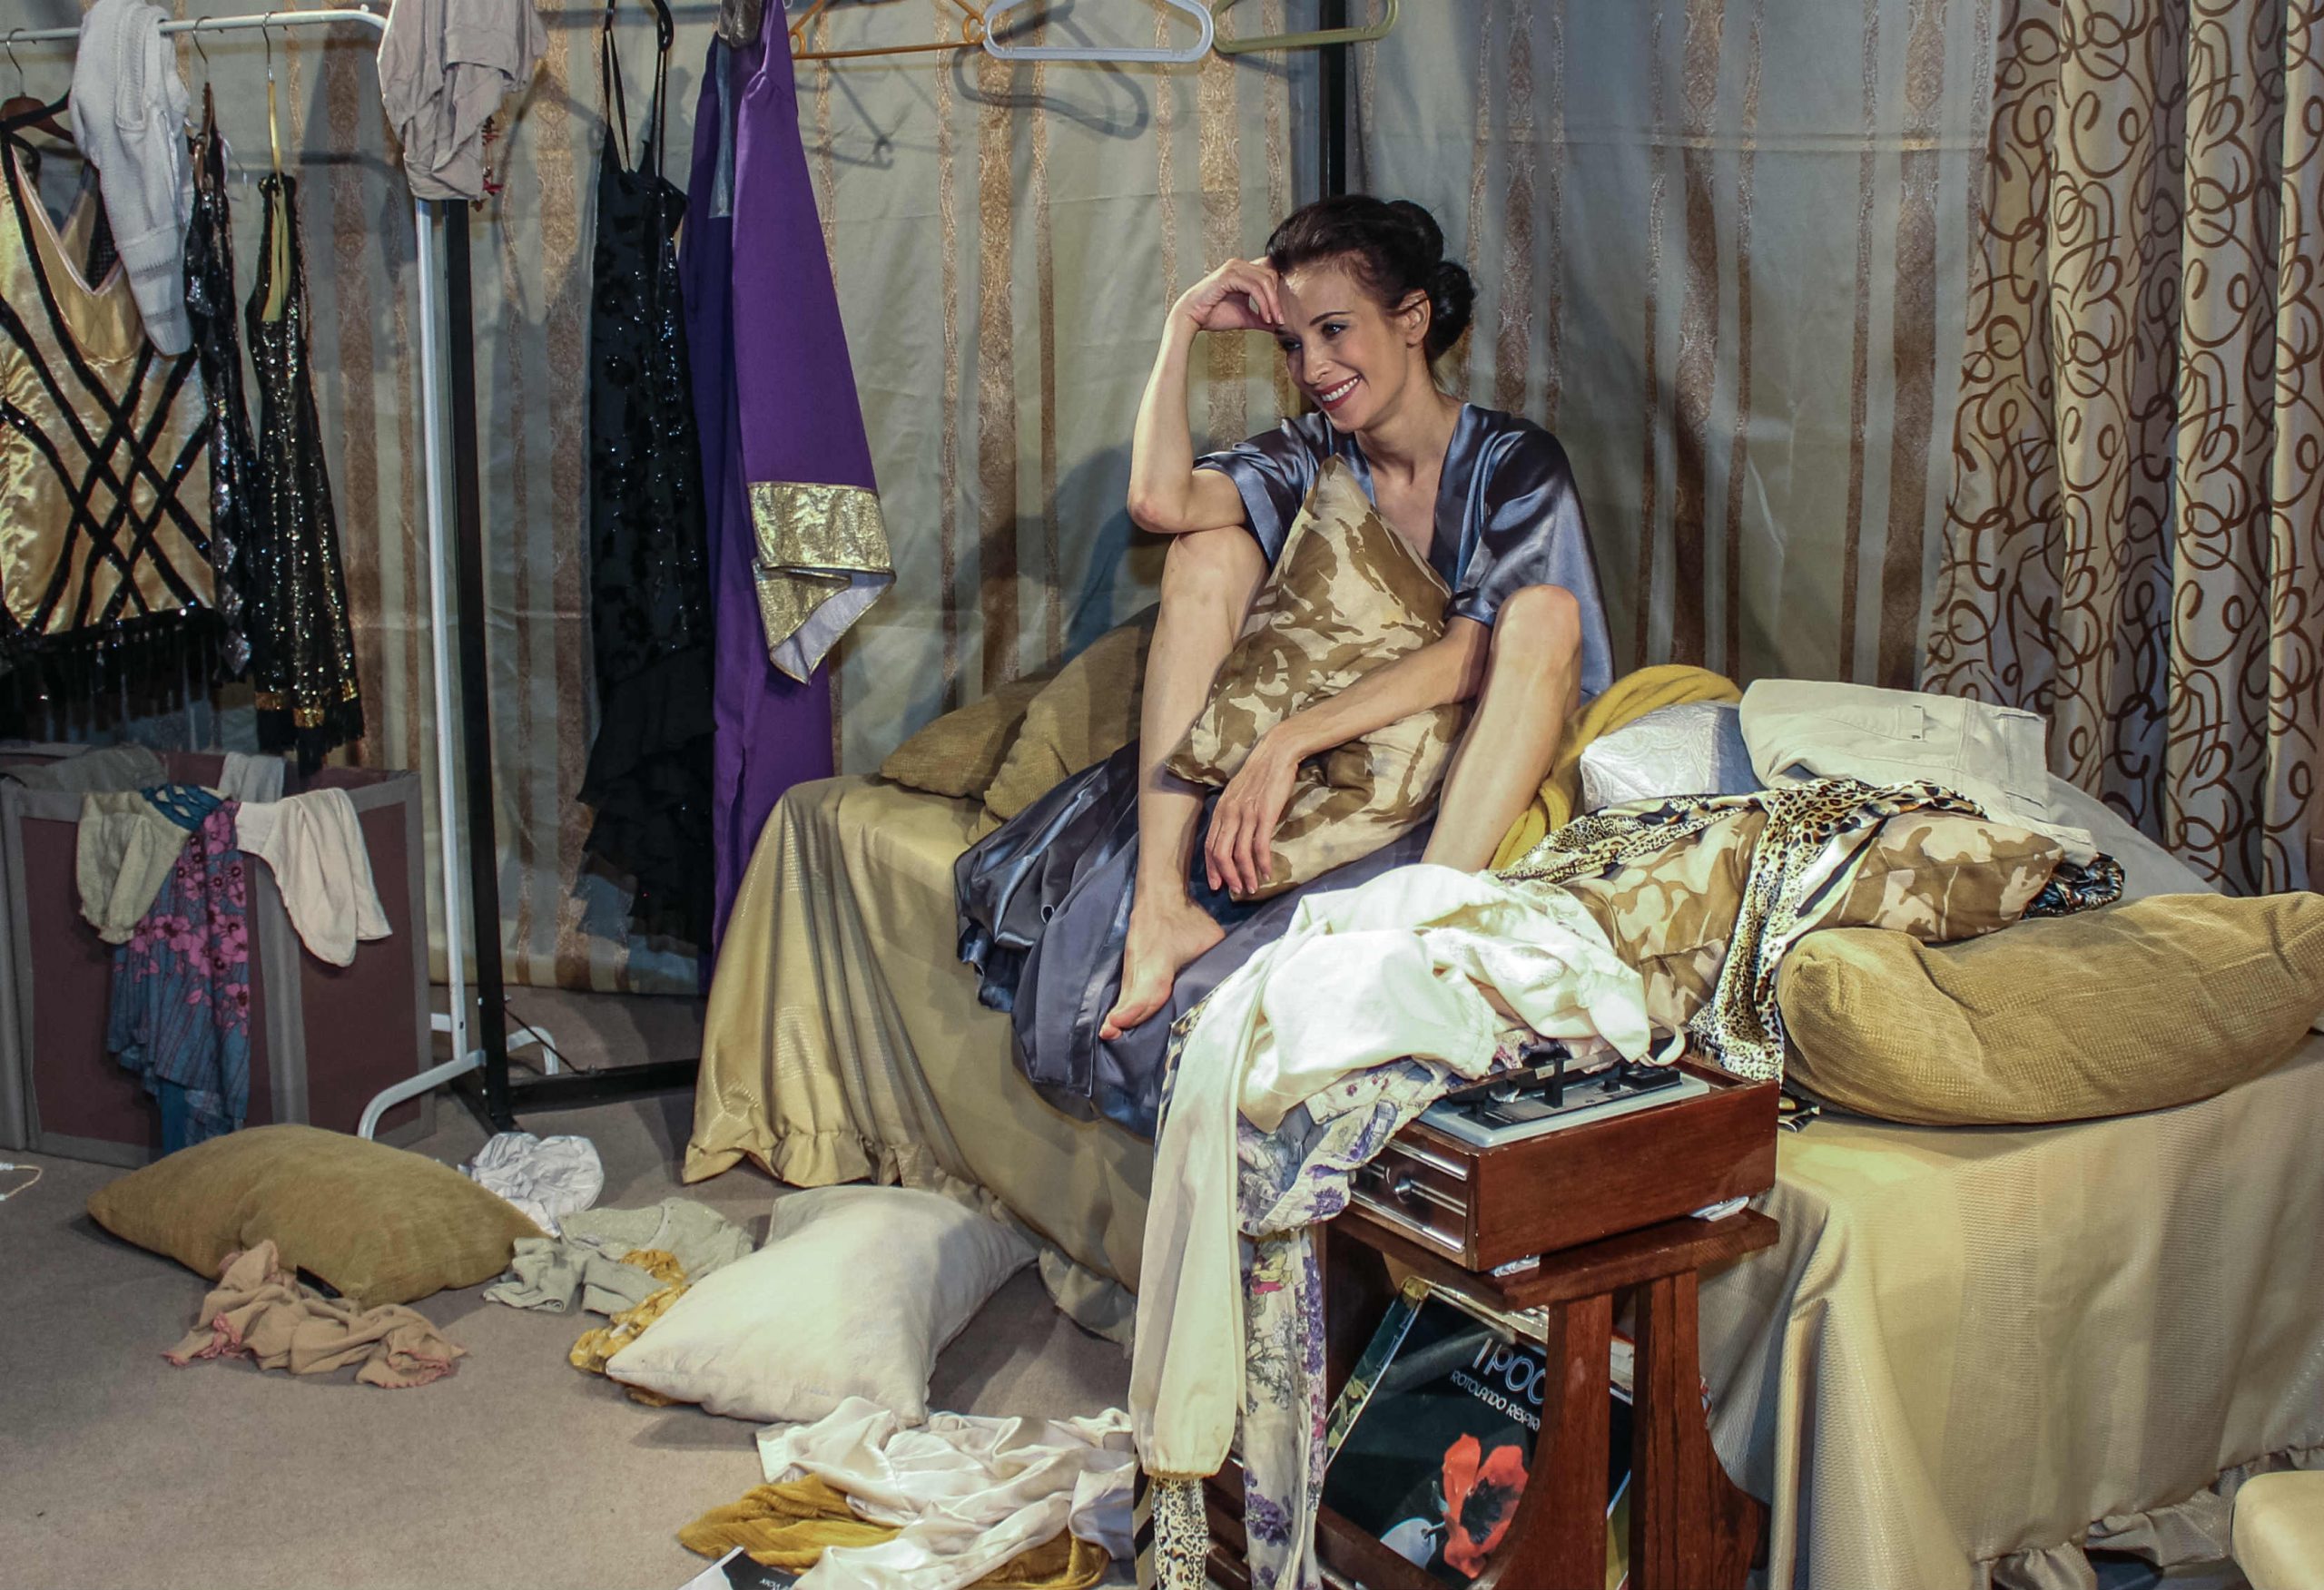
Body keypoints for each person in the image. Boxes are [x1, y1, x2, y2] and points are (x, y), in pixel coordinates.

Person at [1101, 193, 1613, 1038]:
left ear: (1412, 319)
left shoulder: (1518, 460)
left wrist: (1286, 741)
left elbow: (1468, 655)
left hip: (1485, 738)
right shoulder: (1313, 451)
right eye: (1292, 343)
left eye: (1335, 330)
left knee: (1545, 611)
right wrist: (1182, 323)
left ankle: (1424, 924)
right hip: (1360, 745)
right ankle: (1161, 905)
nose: (1312, 367)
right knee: (1205, 549)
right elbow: (1159, 504)